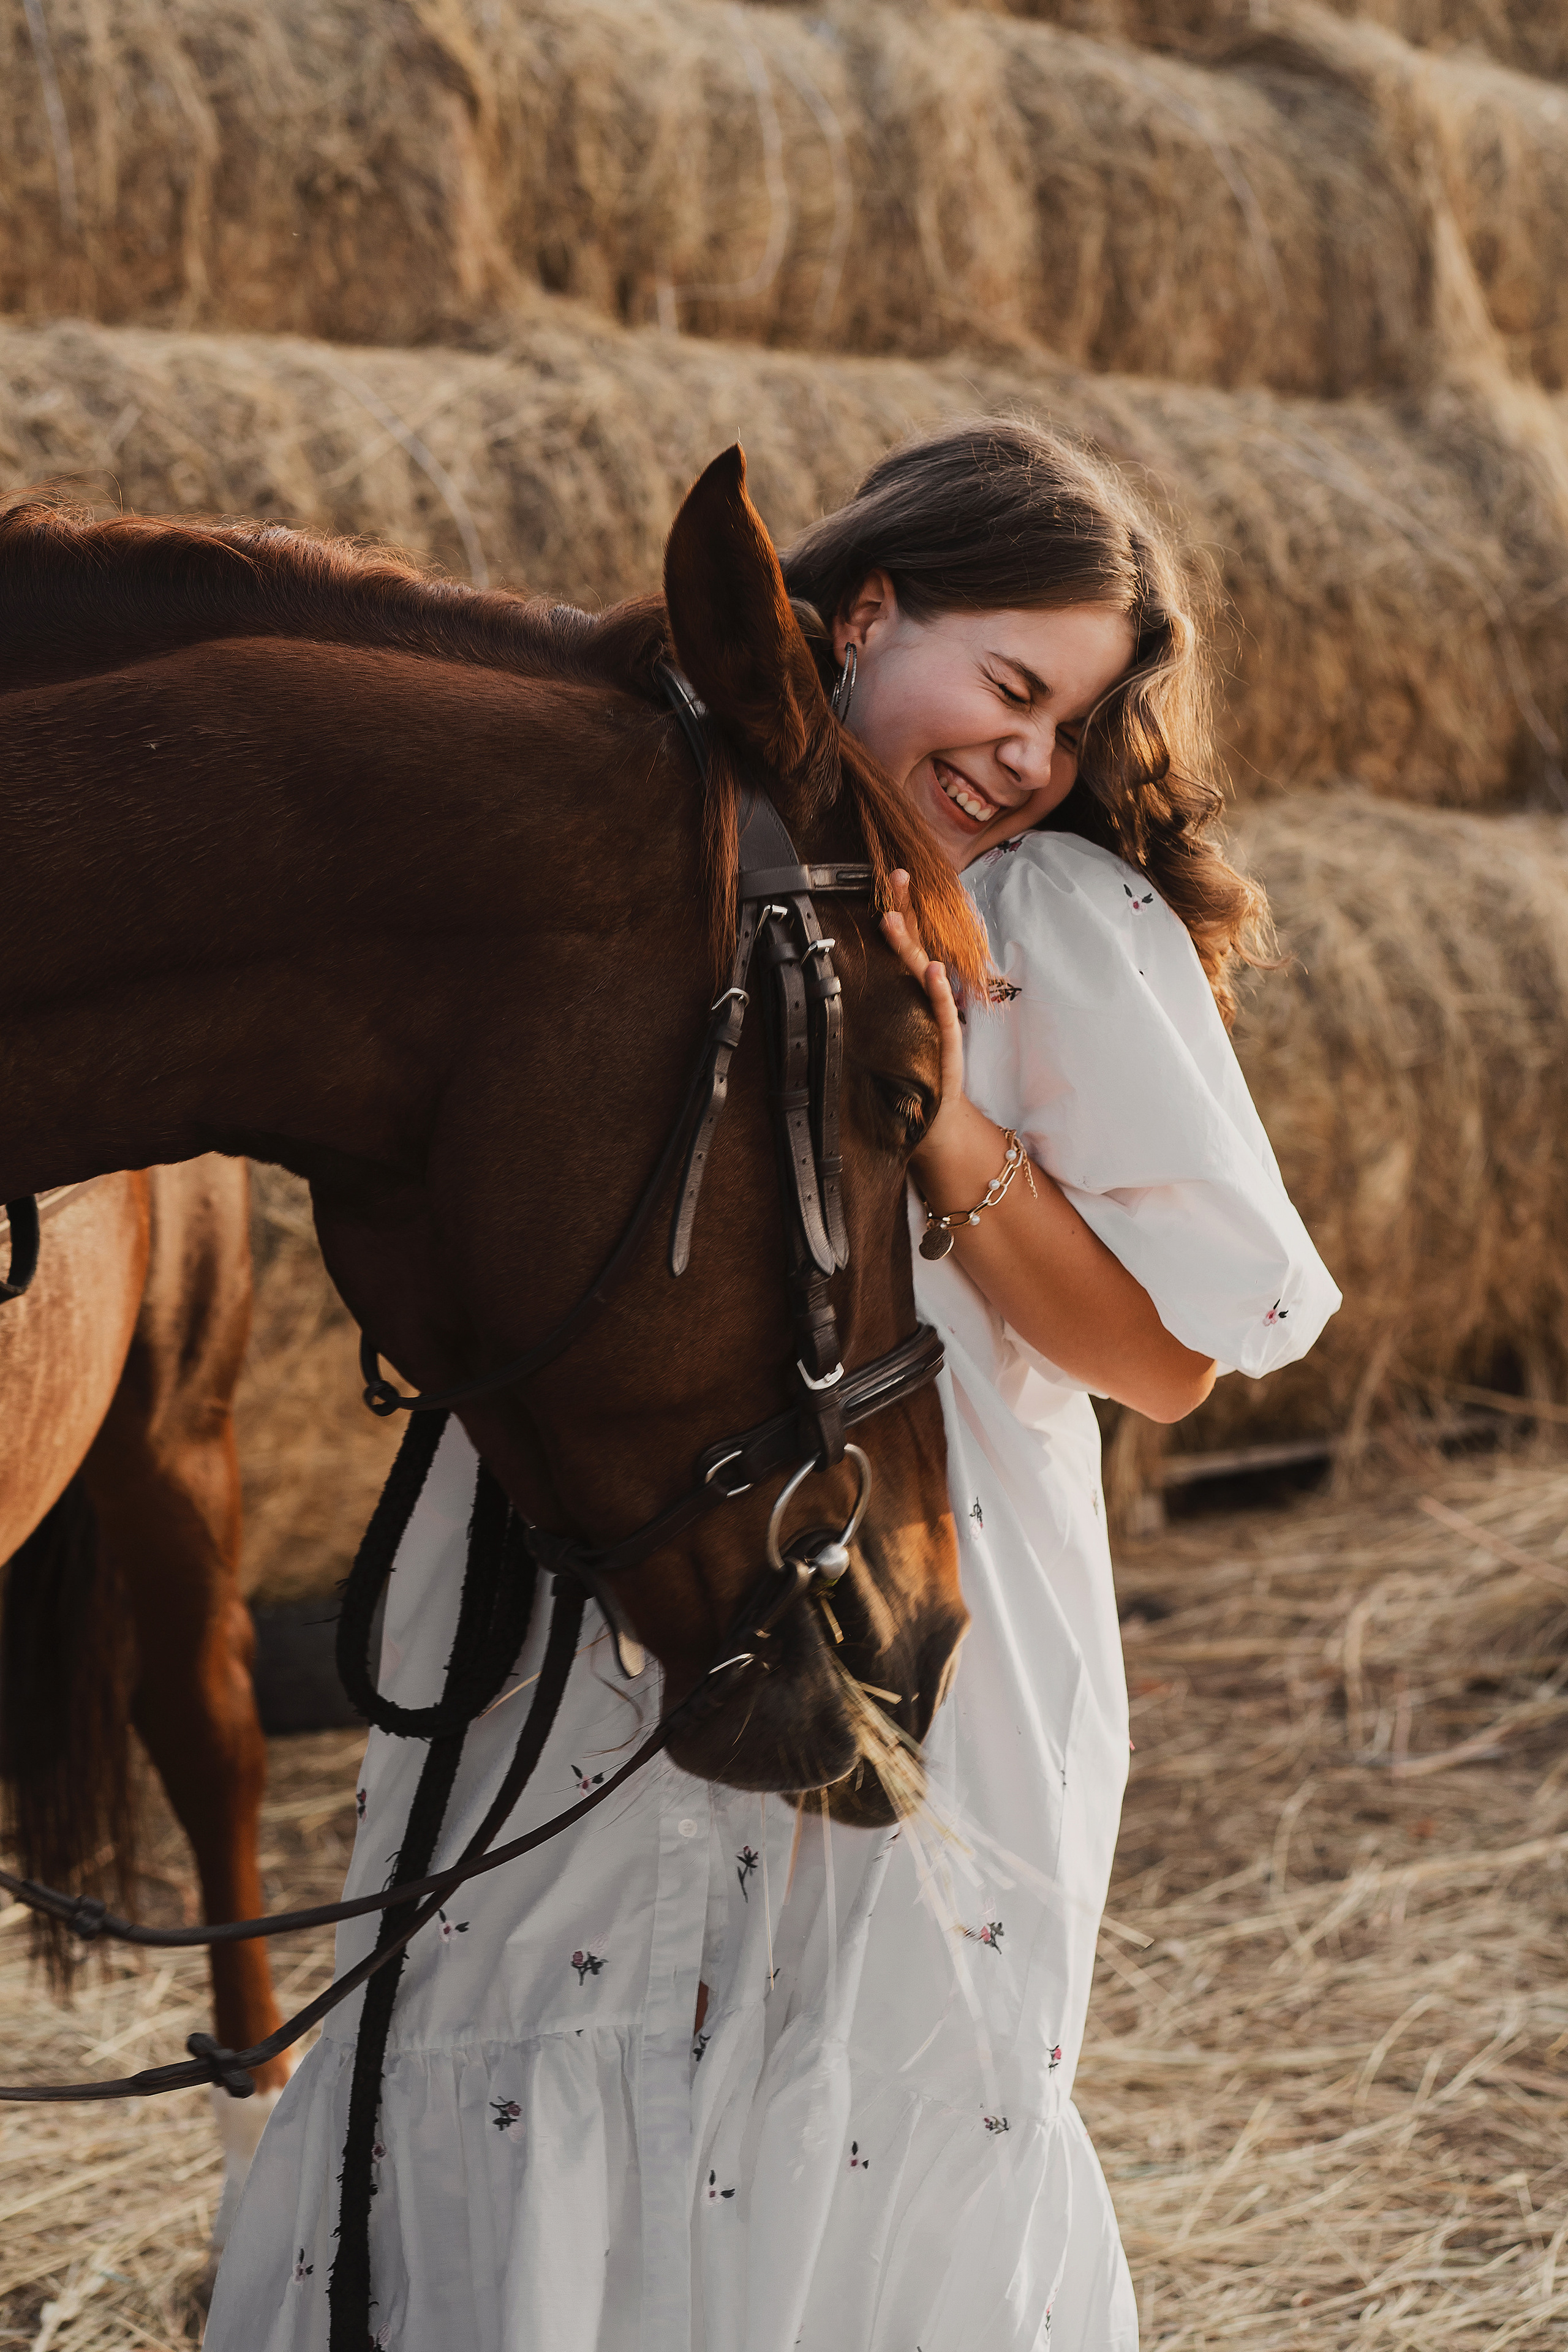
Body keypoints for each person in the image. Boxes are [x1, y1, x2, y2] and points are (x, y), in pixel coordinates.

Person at [207, 419, 1338, 2352]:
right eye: (1008, 684)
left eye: (1067, 725)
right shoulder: (634, 879)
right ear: (867, 607)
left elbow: (1161, 1357)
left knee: (852, 2088)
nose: (1029, 757)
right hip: (594, 1568)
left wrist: (937, 1112)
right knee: (517, 2040)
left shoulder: (1057, 929)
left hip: (914, 1581)